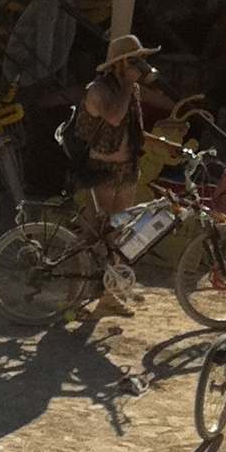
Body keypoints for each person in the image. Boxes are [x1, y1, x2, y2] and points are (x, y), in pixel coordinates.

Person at [70, 31, 155, 319]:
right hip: (101, 170)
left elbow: (133, 128)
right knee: (94, 235)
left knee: (118, 236)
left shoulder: (132, 91)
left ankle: (109, 297)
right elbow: (115, 117)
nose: (138, 67)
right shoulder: (98, 91)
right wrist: (129, 86)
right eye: (133, 61)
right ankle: (76, 298)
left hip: (127, 170)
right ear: (119, 64)